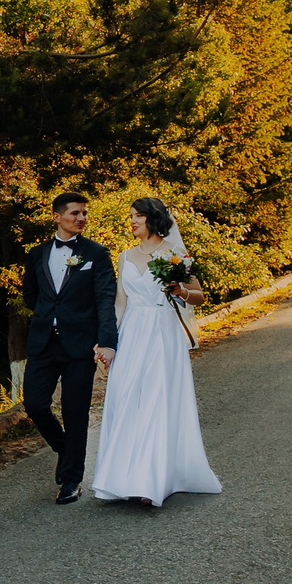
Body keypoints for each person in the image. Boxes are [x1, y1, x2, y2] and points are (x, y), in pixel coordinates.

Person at [90, 195, 222, 507]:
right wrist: (108, 341)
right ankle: (119, 479)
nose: (132, 221)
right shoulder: (124, 256)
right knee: (125, 399)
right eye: (131, 216)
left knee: (154, 401)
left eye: (138, 216)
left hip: (163, 335)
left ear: (153, 219)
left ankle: (151, 481)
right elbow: (120, 304)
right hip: (133, 333)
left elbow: (199, 295)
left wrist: (182, 291)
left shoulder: (175, 253)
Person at [22, 192, 117, 505]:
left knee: (75, 412)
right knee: (34, 403)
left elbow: (105, 299)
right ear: (57, 216)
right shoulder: (37, 254)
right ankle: (65, 447)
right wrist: (48, 319)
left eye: (84, 213)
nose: (81, 218)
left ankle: (71, 480)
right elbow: (31, 296)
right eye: (75, 213)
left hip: (80, 346)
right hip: (43, 344)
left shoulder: (97, 254)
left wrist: (105, 340)